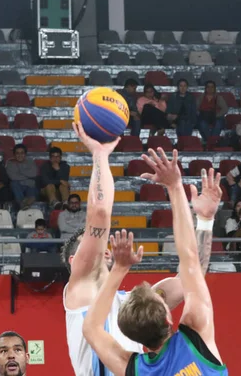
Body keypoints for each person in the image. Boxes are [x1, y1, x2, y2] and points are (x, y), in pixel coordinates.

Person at [63, 124, 220, 376]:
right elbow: (100, 214)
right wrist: (203, 219)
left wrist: (100, 154)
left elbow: (191, 275)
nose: (100, 244)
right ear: (74, 260)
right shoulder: (80, 286)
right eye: (88, 243)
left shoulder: (135, 307)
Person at [6, 144, 38, 210]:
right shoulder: (10, 163)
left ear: (25, 154)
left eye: (22, 153)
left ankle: (26, 203)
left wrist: (19, 170)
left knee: (32, 185)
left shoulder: (30, 161)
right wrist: (27, 177)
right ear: (14, 155)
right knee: (14, 183)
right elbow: (13, 177)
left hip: (29, 185)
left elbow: (34, 174)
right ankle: (23, 204)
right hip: (18, 185)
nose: (20, 155)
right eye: (17, 153)